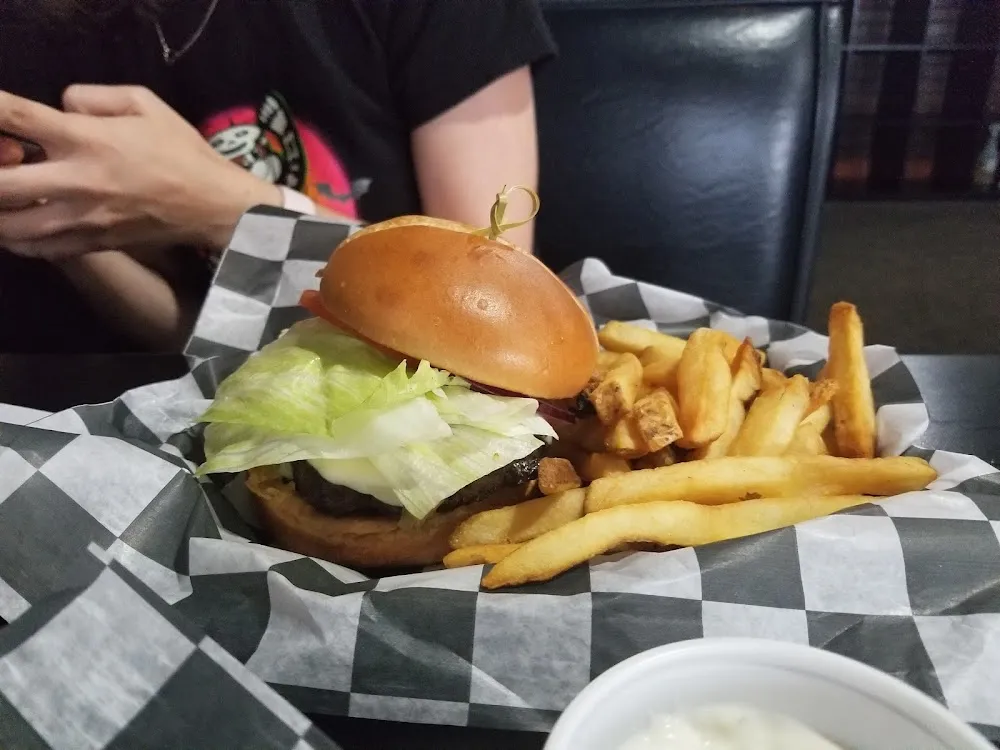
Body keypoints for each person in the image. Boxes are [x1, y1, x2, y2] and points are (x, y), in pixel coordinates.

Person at [0, 0, 555, 352]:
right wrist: (53, 223)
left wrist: (228, 210)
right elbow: (188, 334)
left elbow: (494, 310)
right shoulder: (30, 31)